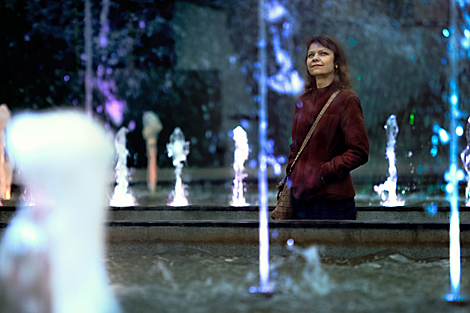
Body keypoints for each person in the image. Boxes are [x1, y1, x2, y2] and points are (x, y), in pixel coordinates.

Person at [287, 35, 369, 220]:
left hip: (333, 202)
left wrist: (323, 172)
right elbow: (296, 147)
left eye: (323, 53)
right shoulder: (302, 101)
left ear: (337, 63)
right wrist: (295, 171)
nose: (315, 58)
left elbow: (359, 151)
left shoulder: (347, 100)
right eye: (311, 55)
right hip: (300, 199)